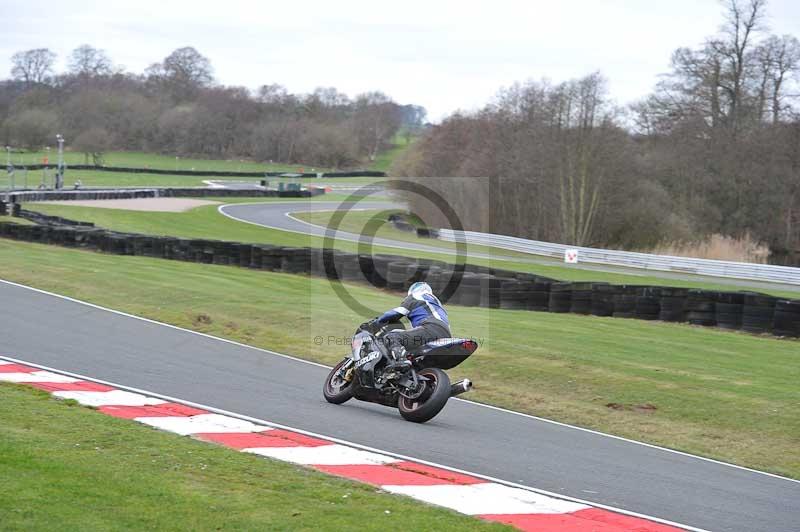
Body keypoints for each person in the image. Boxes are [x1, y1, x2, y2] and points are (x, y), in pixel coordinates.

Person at [360, 281, 451, 364]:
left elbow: (396, 313)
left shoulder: (416, 296)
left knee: (392, 337)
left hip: (430, 329)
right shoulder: (437, 304)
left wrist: (375, 322)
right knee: (414, 357)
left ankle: (401, 361)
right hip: (446, 336)